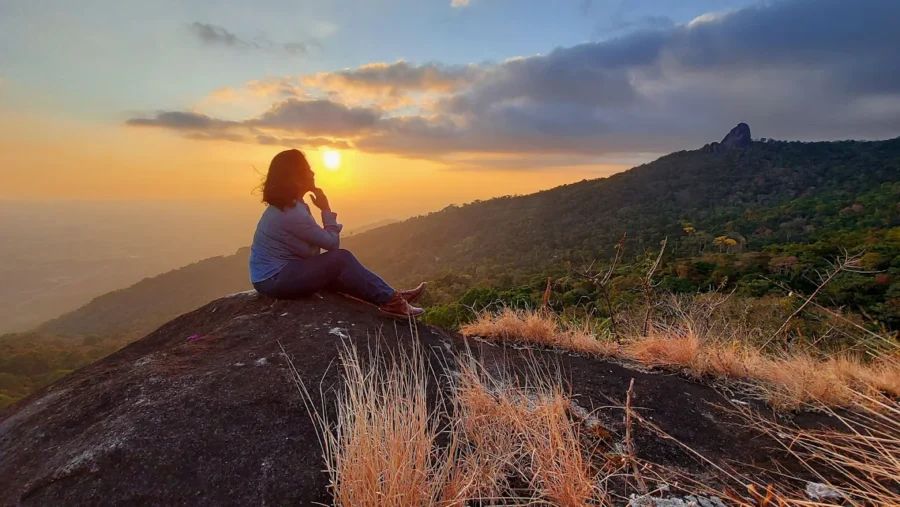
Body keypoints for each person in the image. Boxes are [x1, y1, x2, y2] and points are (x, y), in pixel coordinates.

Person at [249, 149, 425, 318]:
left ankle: (389, 296)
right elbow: (332, 245)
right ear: (297, 176)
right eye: (308, 170)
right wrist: (326, 209)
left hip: (278, 275)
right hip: (274, 278)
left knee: (339, 272)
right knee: (341, 259)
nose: (313, 173)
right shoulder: (291, 212)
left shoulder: (293, 206)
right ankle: (392, 301)